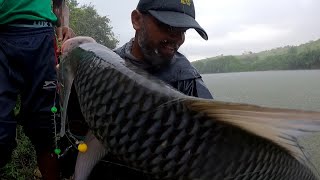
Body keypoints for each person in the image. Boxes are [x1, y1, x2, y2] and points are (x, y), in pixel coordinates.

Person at [87, 0, 213, 178]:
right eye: (168, 27)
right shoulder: (104, 68)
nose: (176, 39)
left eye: (183, 32)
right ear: (137, 20)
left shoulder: (187, 78)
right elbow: (79, 130)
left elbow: (211, 139)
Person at [0, 0, 74, 179]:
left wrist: (64, 26)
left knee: (46, 126)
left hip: (41, 38)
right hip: (2, 37)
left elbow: (59, 4)